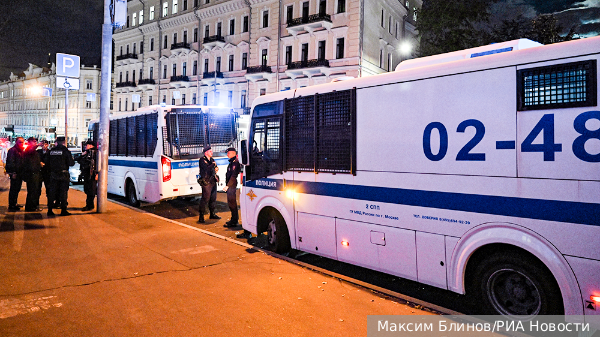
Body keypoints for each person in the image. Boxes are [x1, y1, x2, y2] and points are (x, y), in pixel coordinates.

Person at [44, 136, 74, 216]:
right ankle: (63, 210)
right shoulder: (65, 151)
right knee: (63, 193)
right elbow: (71, 163)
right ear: (64, 142)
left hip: (53, 175)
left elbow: (46, 163)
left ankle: (50, 210)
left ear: (56, 142)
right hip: (63, 175)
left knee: (51, 193)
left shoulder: (51, 151)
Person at [197, 146, 220, 223]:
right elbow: (206, 168)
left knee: (213, 198)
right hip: (206, 182)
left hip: (213, 181)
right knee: (205, 199)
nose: (212, 152)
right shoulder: (202, 160)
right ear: (206, 152)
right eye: (210, 151)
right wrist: (213, 165)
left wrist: (216, 168)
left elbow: (214, 167)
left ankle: (212, 214)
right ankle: (201, 216)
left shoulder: (212, 159)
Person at [22, 137, 42, 211]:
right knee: (32, 191)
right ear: (30, 142)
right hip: (31, 174)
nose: (36, 142)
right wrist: (37, 145)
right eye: (34, 141)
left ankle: (32, 206)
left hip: (35, 173)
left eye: (36, 141)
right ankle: (31, 207)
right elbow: (31, 150)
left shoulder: (33, 151)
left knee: (34, 191)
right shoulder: (29, 150)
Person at [5, 137, 25, 211]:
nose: (21, 143)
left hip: (19, 173)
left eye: (22, 142)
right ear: (16, 142)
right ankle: (11, 205)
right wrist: (13, 172)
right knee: (14, 189)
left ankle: (14, 203)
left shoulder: (20, 150)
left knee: (17, 188)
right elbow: (11, 162)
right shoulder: (13, 150)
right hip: (15, 173)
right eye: (20, 142)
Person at [223, 147, 241, 228]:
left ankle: (234, 221)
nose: (227, 154)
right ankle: (233, 220)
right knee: (231, 203)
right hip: (231, 185)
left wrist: (228, 185)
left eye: (229, 153)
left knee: (232, 203)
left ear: (233, 153)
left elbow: (233, 176)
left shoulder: (235, 163)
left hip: (232, 185)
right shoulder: (232, 162)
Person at [78, 140, 97, 211]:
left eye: (87, 145)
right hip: (86, 174)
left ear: (91, 146)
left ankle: (89, 205)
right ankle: (89, 205)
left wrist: (97, 173)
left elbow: (96, 163)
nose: (85, 146)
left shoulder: (94, 153)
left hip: (91, 174)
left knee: (91, 190)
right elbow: (79, 160)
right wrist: (82, 155)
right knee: (87, 189)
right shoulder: (87, 153)